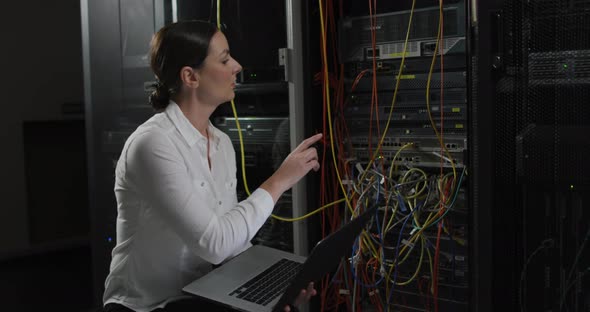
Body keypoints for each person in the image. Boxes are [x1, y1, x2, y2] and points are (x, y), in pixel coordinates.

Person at [102, 20, 321, 312]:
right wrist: (279, 180)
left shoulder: (221, 144)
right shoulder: (153, 145)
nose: (237, 66)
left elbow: (231, 242)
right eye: (224, 58)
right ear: (190, 77)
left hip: (201, 295)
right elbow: (215, 243)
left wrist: (276, 289)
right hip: (146, 305)